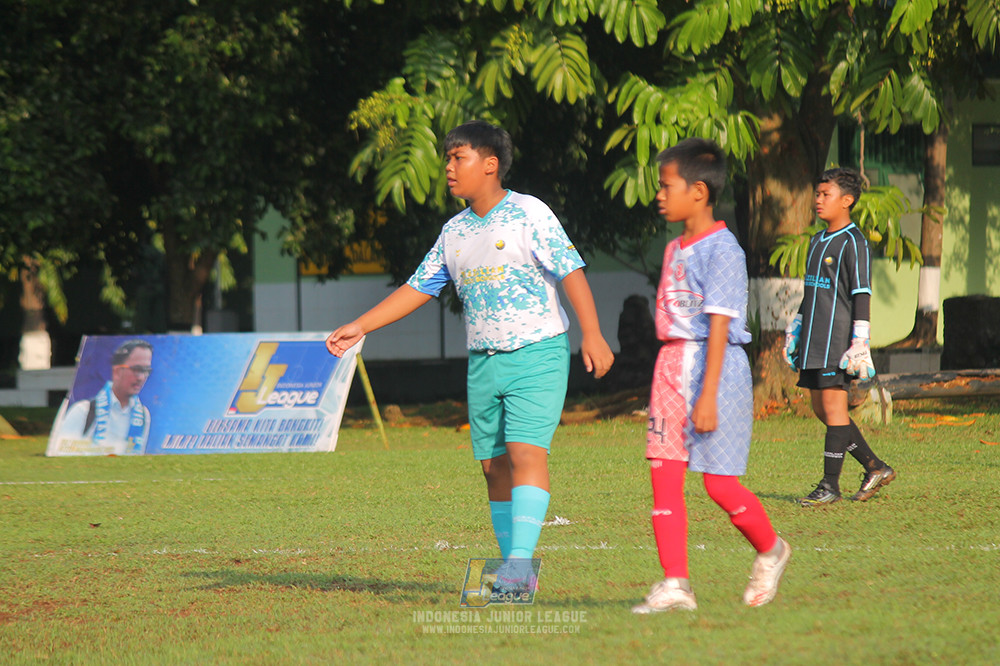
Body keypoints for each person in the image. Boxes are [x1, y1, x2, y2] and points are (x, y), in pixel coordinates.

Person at [326, 120, 615, 593]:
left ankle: (520, 569)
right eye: (447, 159)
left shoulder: (529, 213)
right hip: (483, 362)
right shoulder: (454, 231)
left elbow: (571, 270)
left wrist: (593, 333)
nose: (448, 168)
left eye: (457, 158)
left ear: (490, 164)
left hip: (537, 352)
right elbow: (417, 287)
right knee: (493, 466)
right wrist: (361, 325)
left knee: (525, 453)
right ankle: (512, 570)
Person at [633, 138, 790, 614]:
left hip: (714, 370)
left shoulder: (724, 249)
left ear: (698, 191)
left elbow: (719, 325)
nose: (659, 195)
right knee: (664, 477)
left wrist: (707, 396)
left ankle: (771, 550)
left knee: (718, 486)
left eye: (667, 186)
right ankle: (675, 583)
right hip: (670, 370)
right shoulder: (673, 248)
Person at [783, 167, 896, 506]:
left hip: (838, 340)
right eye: (817, 194)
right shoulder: (818, 240)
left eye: (825, 195)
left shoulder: (854, 242)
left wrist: (860, 340)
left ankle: (830, 485)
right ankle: (875, 466)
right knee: (822, 409)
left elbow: (861, 293)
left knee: (834, 409)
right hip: (814, 339)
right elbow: (811, 290)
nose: (818, 200)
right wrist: (797, 326)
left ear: (846, 201)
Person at [55, 339, 153, 455]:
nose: (141, 377)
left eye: (146, 370)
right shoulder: (82, 411)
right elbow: (61, 454)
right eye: (137, 369)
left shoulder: (143, 415)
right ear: (117, 371)